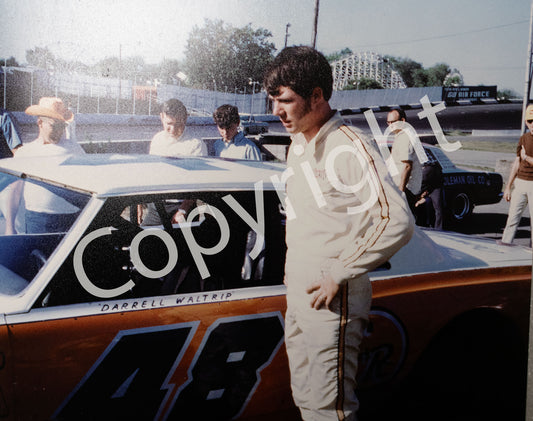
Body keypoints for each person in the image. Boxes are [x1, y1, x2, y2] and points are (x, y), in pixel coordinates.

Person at [263, 46, 414, 420]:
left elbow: (397, 221)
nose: (276, 112)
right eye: (272, 100)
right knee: (307, 401)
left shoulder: (348, 147)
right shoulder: (298, 143)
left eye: (285, 101)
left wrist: (340, 271)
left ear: (317, 96)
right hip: (298, 293)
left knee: (331, 410)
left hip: (332, 297)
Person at [4, 97, 85, 234]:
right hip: (39, 221)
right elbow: (14, 192)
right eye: (55, 125)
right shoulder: (25, 153)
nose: (59, 131)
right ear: (40, 122)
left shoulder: (75, 149)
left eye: (62, 126)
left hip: (73, 220)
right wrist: (9, 227)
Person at [141, 99, 206, 226]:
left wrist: (183, 210)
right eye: (169, 124)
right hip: (156, 205)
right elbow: (151, 173)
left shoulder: (196, 144)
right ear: (161, 117)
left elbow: (197, 183)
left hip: (182, 206)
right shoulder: (157, 140)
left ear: (185, 118)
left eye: (178, 124)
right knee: (144, 239)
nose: (172, 129)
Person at [499, 104, 533, 246]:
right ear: (526, 122)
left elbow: (524, 158)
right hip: (520, 183)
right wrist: (508, 187)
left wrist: (526, 158)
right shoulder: (523, 138)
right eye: (530, 121)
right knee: (512, 220)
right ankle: (505, 250)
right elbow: (517, 162)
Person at [388, 108, 423, 214]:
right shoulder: (400, 136)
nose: (390, 125)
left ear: (402, 121)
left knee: (401, 223)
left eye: (393, 122)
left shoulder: (405, 137)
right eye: (388, 122)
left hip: (405, 190)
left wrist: (401, 192)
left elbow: (407, 166)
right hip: (403, 189)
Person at [415, 161, 444, 230]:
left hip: (434, 182)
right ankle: (436, 227)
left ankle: (438, 228)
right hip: (433, 180)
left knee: (438, 207)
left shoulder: (426, 172)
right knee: (438, 208)